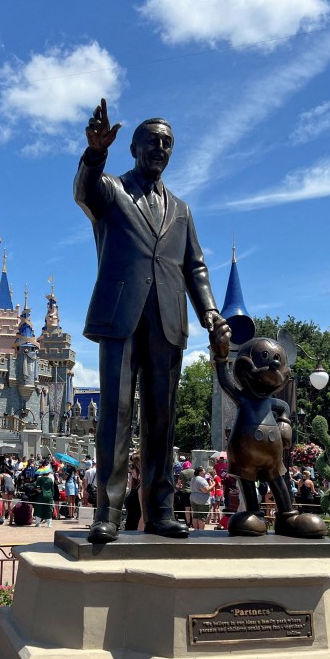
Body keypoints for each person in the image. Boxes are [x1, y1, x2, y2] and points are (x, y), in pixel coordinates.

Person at [75, 99, 230, 543]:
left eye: (167, 143)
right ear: (134, 148)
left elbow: (195, 267)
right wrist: (95, 153)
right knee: (116, 414)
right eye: (152, 141)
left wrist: (210, 313)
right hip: (120, 318)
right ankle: (108, 512)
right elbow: (84, 191)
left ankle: (161, 510)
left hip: (168, 320)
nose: (160, 148)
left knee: (163, 418)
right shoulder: (112, 191)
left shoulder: (181, 209)